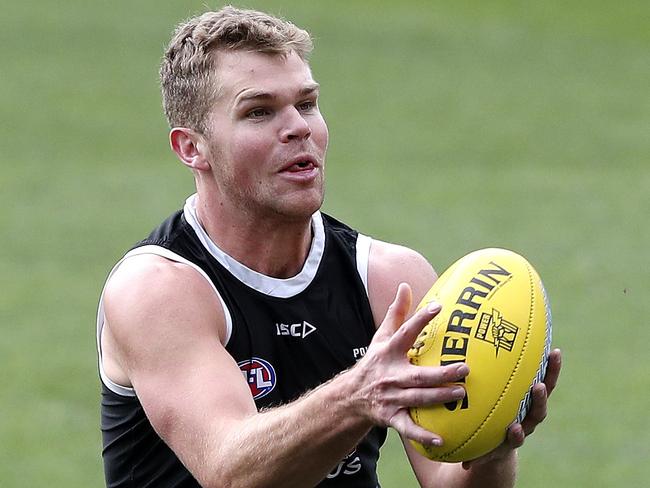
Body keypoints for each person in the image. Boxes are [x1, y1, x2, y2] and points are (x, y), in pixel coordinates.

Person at [96, 6, 561, 488]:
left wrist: (490, 446)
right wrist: (359, 393)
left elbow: (447, 476)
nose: (298, 127)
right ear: (192, 148)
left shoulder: (389, 279)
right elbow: (229, 470)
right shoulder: (158, 290)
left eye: (307, 103)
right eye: (259, 111)